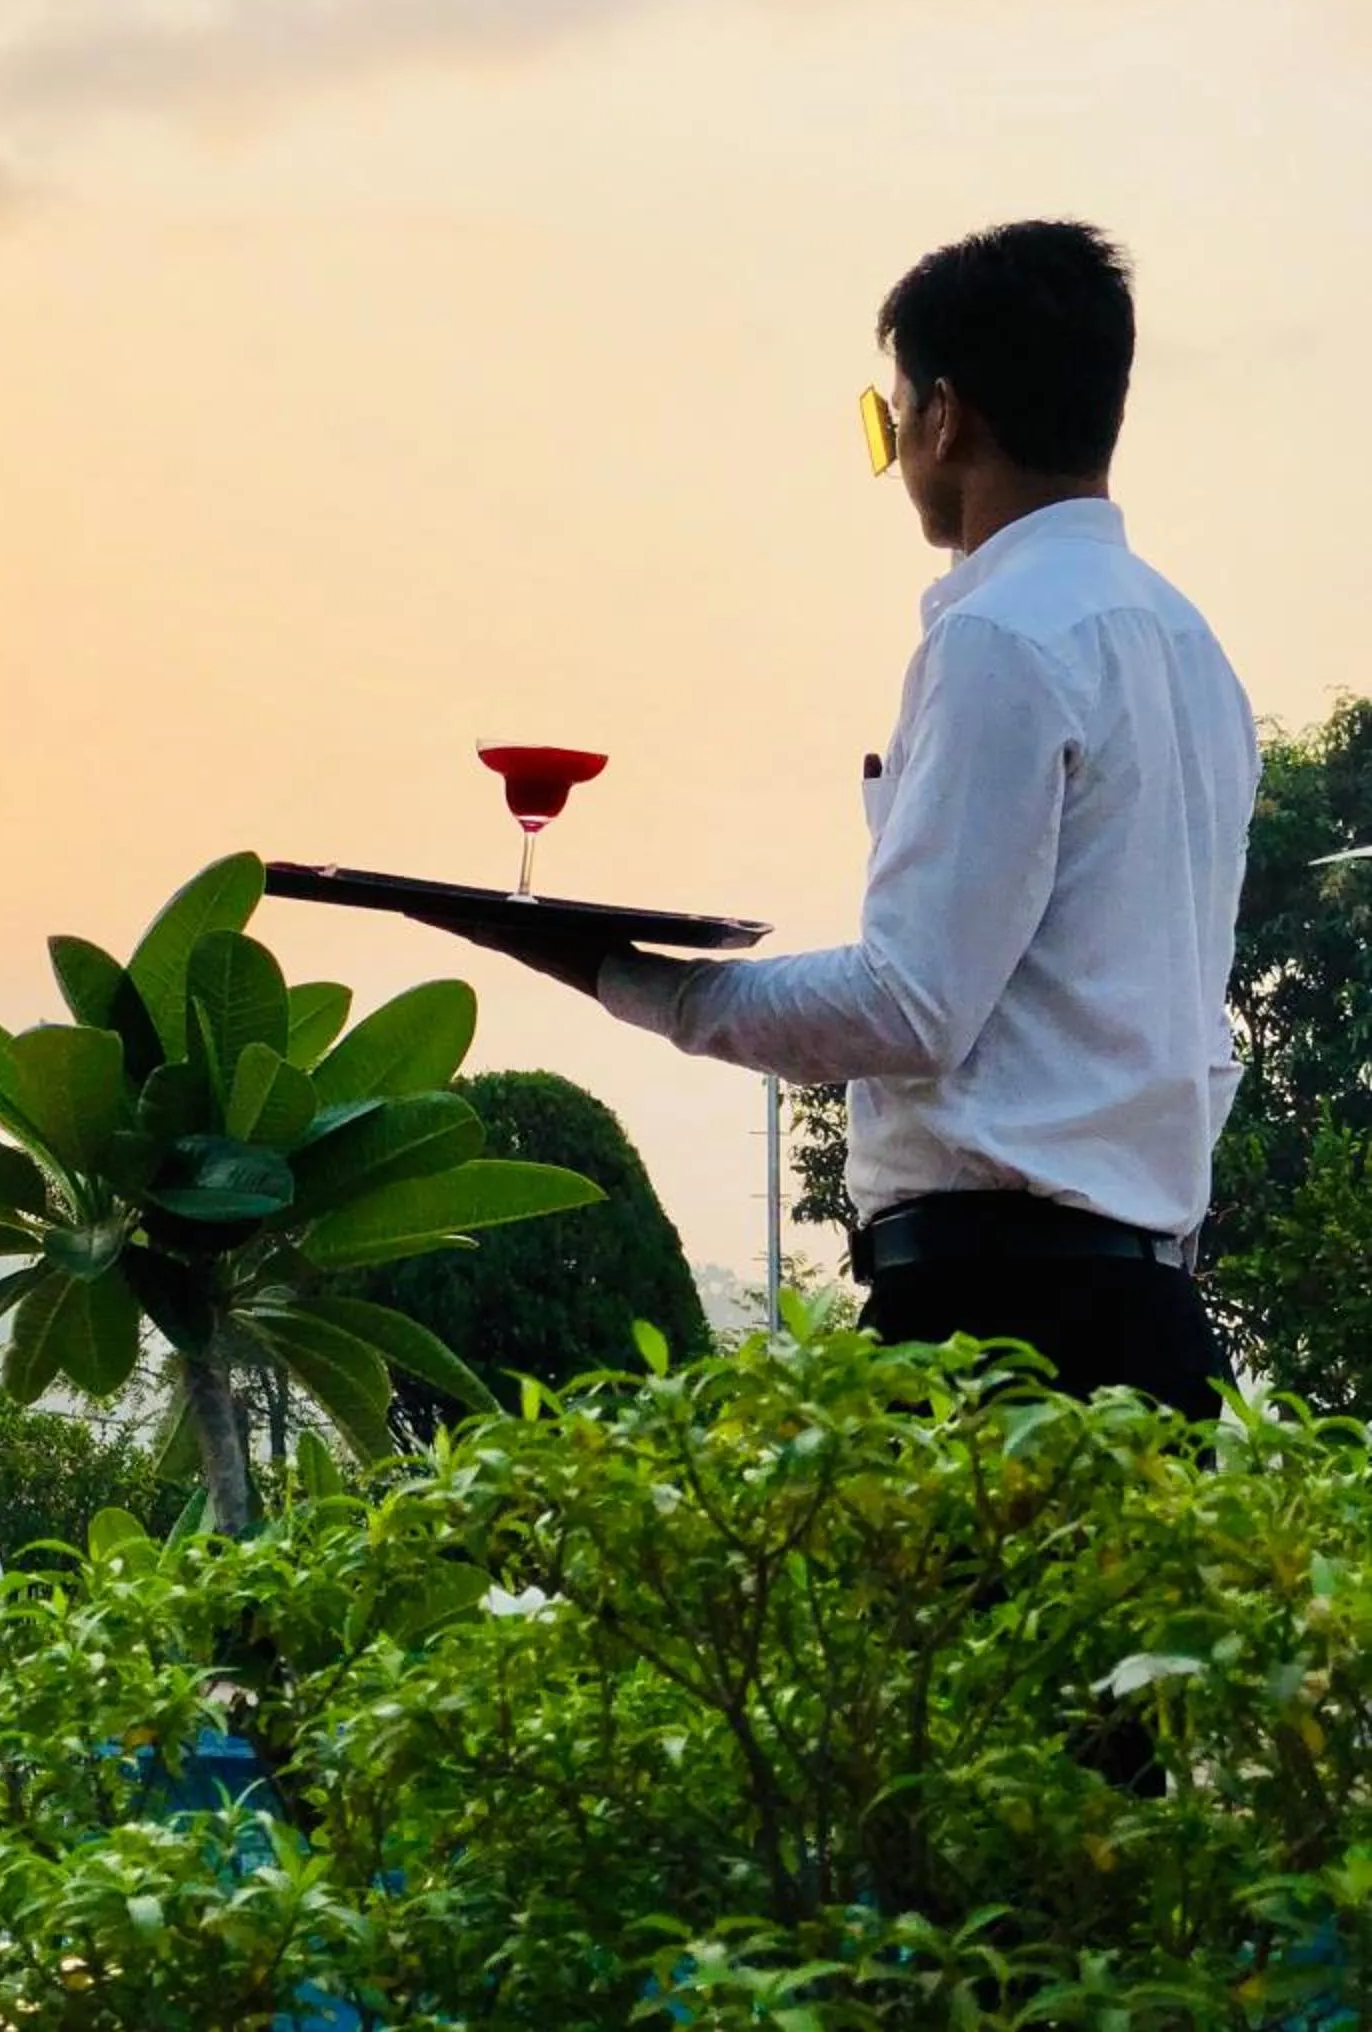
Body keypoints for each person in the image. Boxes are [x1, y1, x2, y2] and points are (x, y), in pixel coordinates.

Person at [451, 220, 1258, 1420]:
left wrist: (630, 978)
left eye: (889, 425)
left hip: (994, 1325)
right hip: (1156, 1320)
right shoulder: (1194, 652)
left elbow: (912, 1003)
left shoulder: (999, 638)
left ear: (945, 417)